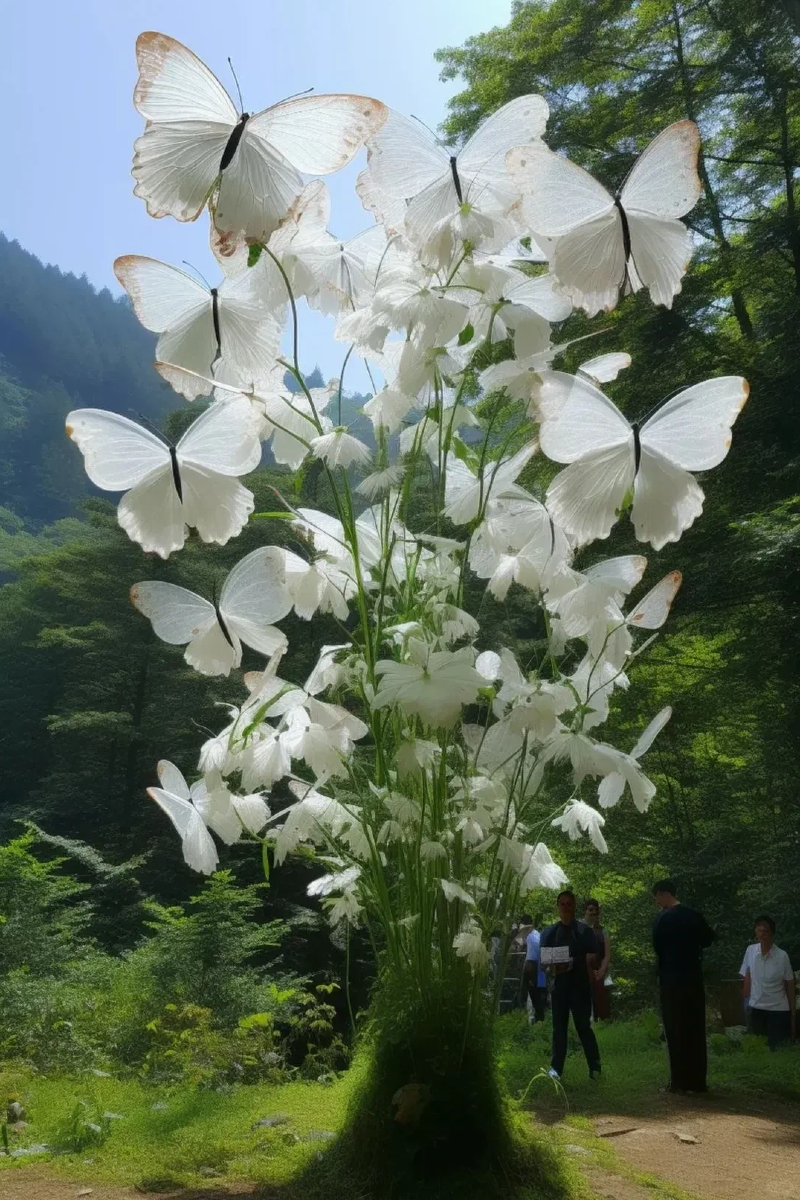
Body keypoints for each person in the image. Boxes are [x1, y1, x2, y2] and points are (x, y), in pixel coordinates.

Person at [652, 879, 715, 1094]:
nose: (656, 902)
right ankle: (698, 1082)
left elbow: (657, 947)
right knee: (695, 1028)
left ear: (662, 894)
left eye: (656, 897)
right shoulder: (693, 916)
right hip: (693, 979)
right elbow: (708, 939)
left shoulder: (662, 919)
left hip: (671, 980)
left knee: (674, 1028)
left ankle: (678, 1082)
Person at [540, 890, 601, 1080]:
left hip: (580, 987)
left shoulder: (584, 931)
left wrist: (575, 962)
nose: (566, 907)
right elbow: (544, 963)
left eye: (569, 904)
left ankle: (595, 1067)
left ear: (575, 907)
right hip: (559, 988)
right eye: (562, 904)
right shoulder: (549, 932)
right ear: (557, 907)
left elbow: (594, 957)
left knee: (583, 1026)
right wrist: (554, 968)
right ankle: (556, 1070)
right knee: (559, 1028)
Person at [740, 915, 796, 1049]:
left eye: (765, 932)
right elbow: (746, 977)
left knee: (778, 1049)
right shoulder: (751, 951)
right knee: (757, 1049)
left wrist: (792, 1014)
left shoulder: (782, 956)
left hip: (778, 1010)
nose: (762, 936)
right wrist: (746, 1004)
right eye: (759, 931)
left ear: (772, 933)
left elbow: (790, 985)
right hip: (756, 1008)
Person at [583, 898, 612, 1021]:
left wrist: (601, 970)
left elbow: (607, 954)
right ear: (585, 911)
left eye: (595, 911)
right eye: (590, 910)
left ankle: (601, 1022)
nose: (593, 913)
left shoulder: (603, 930)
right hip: (582, 969)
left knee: (600, 999)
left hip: (598, 970)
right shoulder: (579, 928)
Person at [523, 913, 548, 1023]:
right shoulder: (538, 935)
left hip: (534, 972)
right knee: (541, 998)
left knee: (533, 999)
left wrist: (528, 977)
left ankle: (535, 1022)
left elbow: (531, 960)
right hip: (542, 972)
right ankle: (541, 1021)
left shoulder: (530, 937)